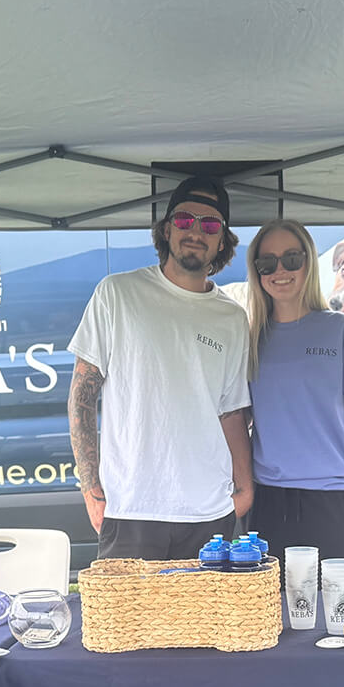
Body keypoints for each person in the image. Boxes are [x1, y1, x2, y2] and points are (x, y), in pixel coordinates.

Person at [67, 175, 253, 560]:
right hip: (131, 507)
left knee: (204, 623)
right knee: (126, 622)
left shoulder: (232, 318)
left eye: (211, 225)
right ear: (166, 230)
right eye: (185, 220)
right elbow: (82, 396)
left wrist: (244, 488)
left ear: (222, 241)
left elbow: (232, 411)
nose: (196, 232)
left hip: (209, 512)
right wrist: (91, 489)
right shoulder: (117, 294)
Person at [243, 219, 344, 563]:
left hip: (336, 502)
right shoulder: (249, 341)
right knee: (270, 615)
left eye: (292, 259)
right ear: (257, 271)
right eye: (267, 263)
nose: (280, 270)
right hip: (268, 505)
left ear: (309, 263)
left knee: (339, 617)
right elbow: (235, 423)